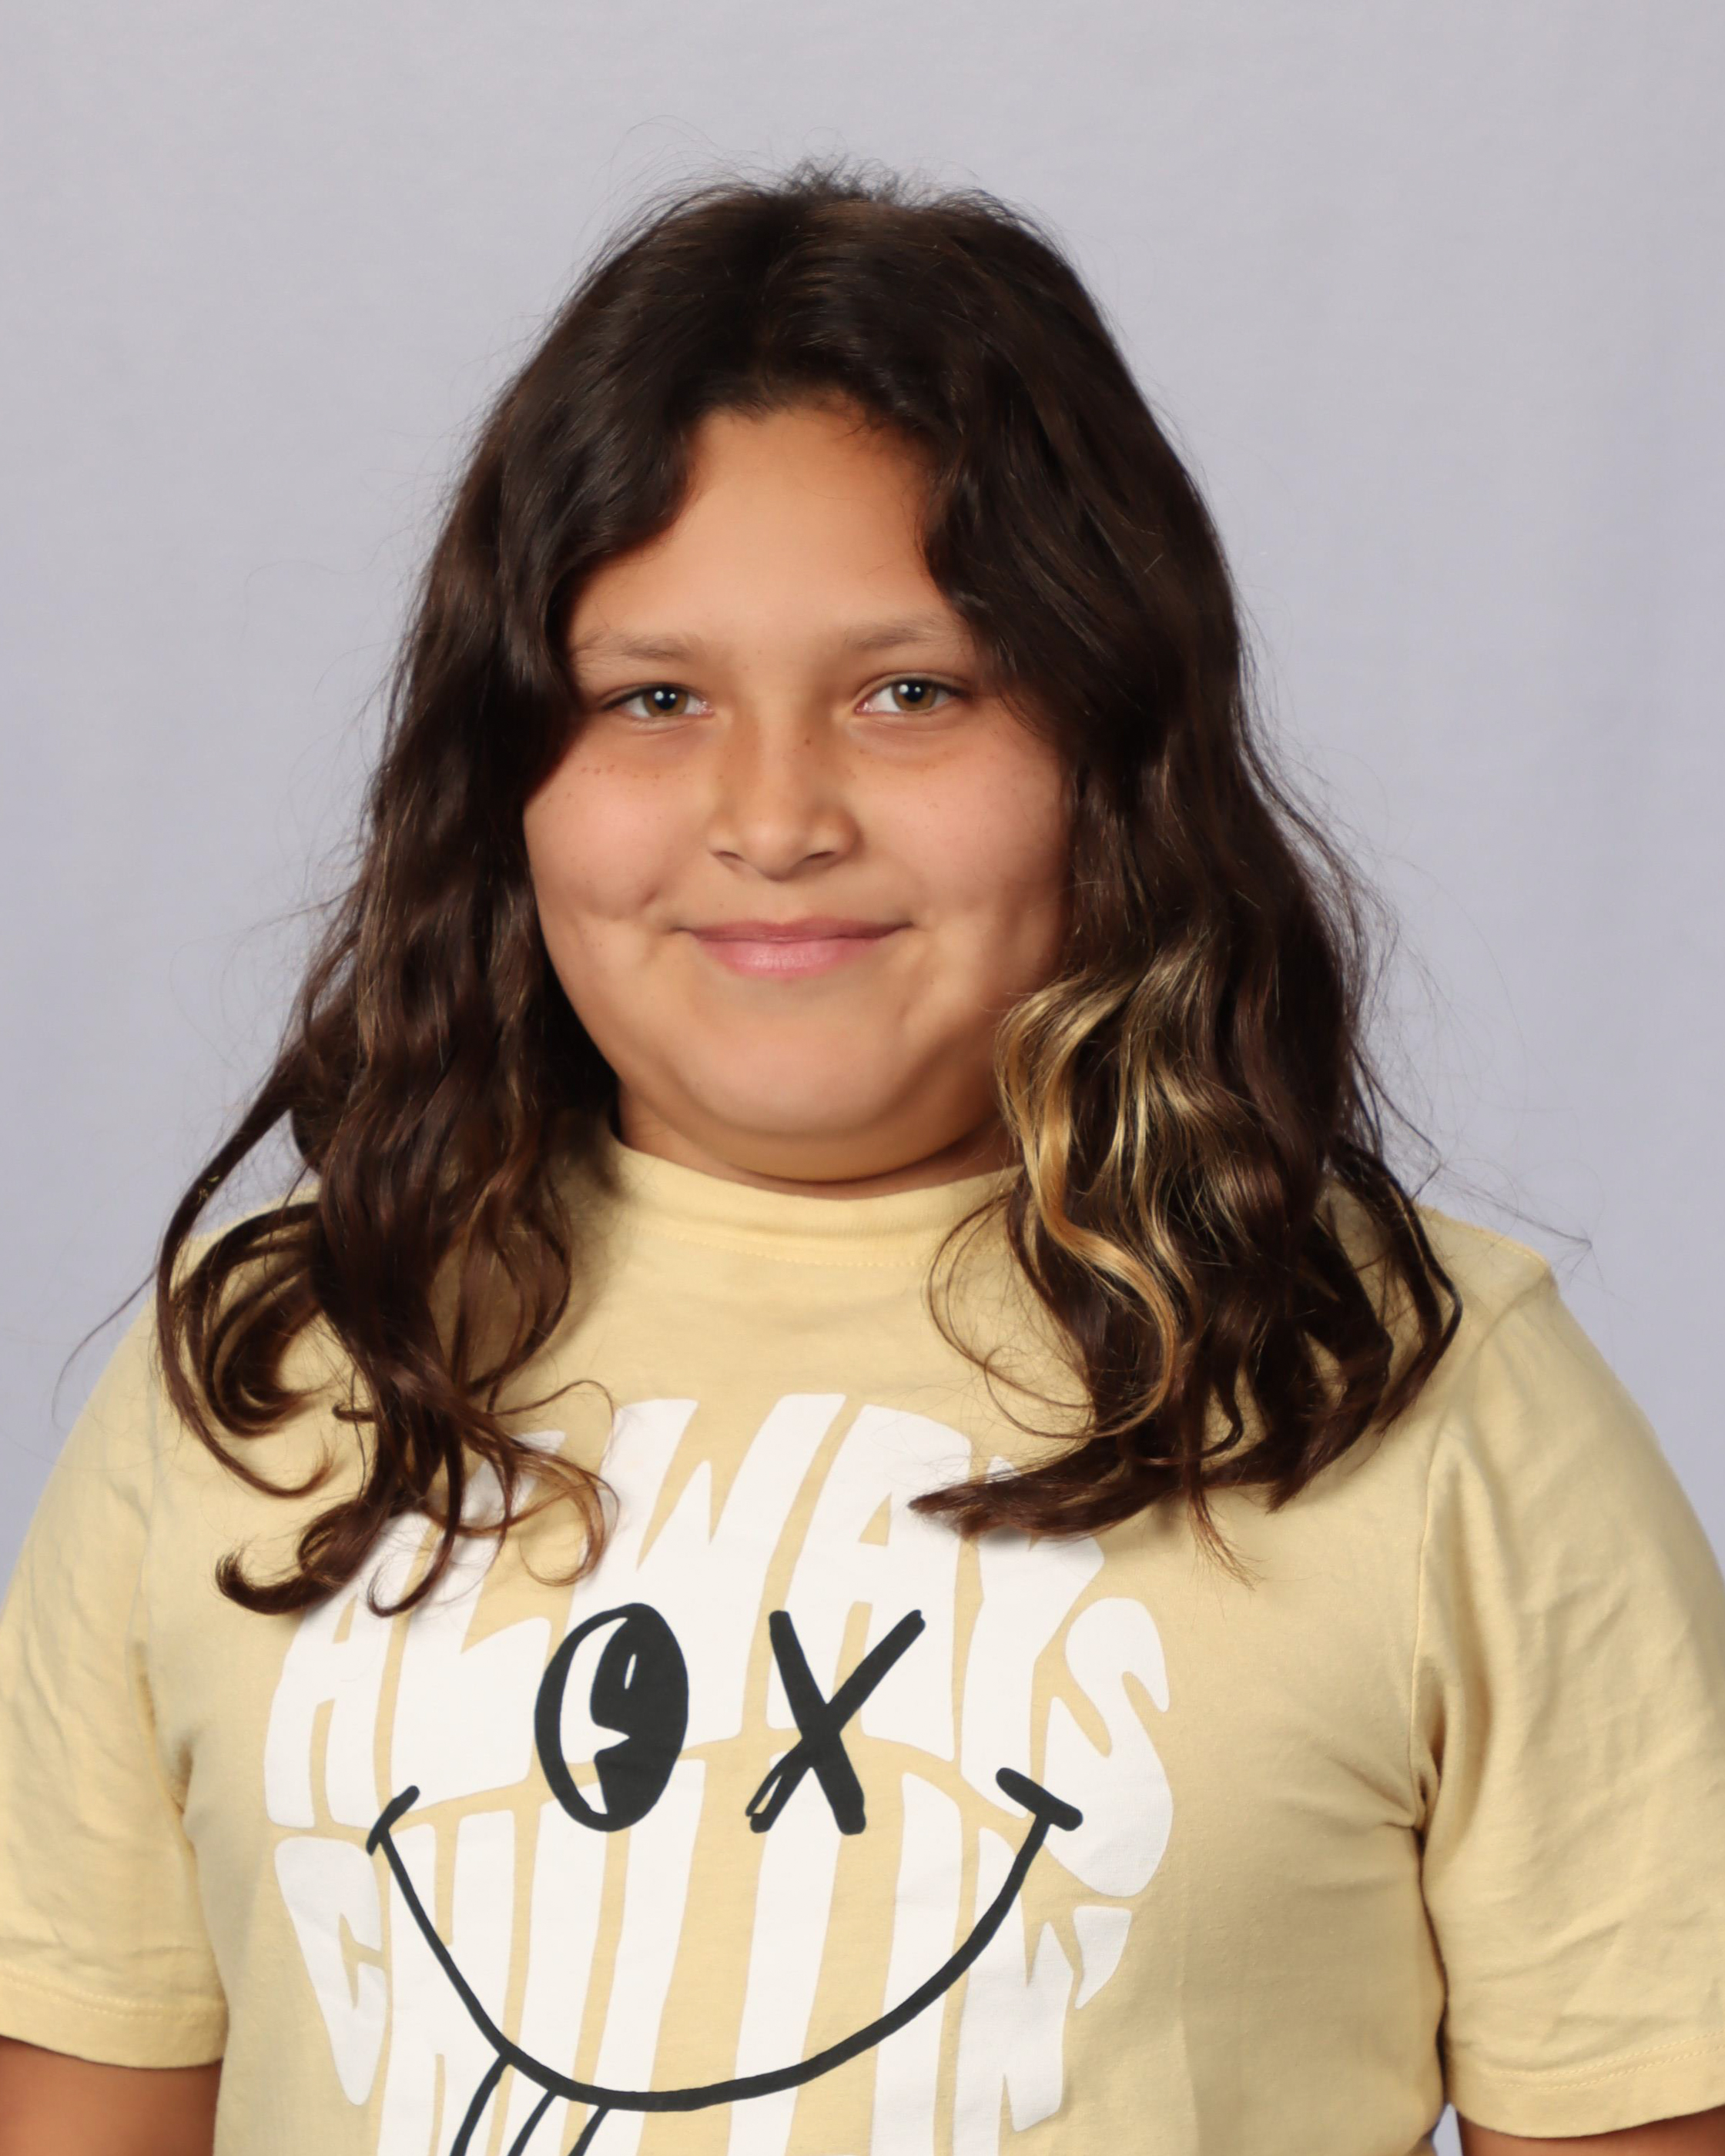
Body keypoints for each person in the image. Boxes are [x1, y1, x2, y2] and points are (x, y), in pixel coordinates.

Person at [0, 162, 1720, 2156]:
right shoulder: (262, 1372)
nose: (774, 817)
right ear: (506, 778)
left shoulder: (1420, 1390)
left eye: (912, 693)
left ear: (1109, 749)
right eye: (653, 697)